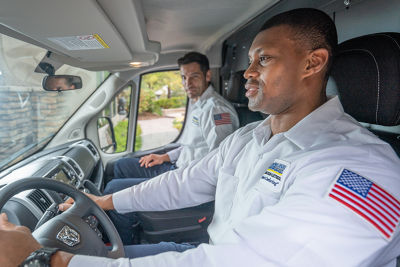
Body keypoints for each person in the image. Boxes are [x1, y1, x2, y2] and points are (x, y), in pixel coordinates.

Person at [2, 8, 400, 267]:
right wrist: (106, 200)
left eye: (264, 59)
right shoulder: (251, 137)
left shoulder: (360, 171)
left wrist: (60, 261)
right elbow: (187, 181)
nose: (247, 73)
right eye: (249, 61)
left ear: (313, 63)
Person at [105, 51, 240, 192]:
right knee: (121, 165)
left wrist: (176, 179)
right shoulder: (199, 104)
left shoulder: (216, 110)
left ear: (207, 76)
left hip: (187, 180)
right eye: (184, 77)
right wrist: (164, 157)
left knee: (112, 189)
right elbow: (192, 147)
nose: (187, 83)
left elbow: (219, 159)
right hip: (177, 167)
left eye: (194, 77)